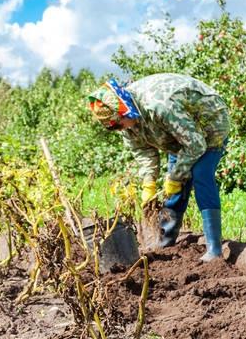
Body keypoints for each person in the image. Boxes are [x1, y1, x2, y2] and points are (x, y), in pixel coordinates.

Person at [86, 74, 231, 261]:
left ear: (125, 112)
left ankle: (214, 249)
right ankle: (165, 242)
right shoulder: (126, 123)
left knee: (200, 174)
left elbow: (195, 144)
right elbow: (144, 152)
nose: (121, 129)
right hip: (178, 135)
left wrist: (175, 176)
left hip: (209, 124)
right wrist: (149, 184)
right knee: (176, 184)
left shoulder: (159, 106)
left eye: (120, 124)